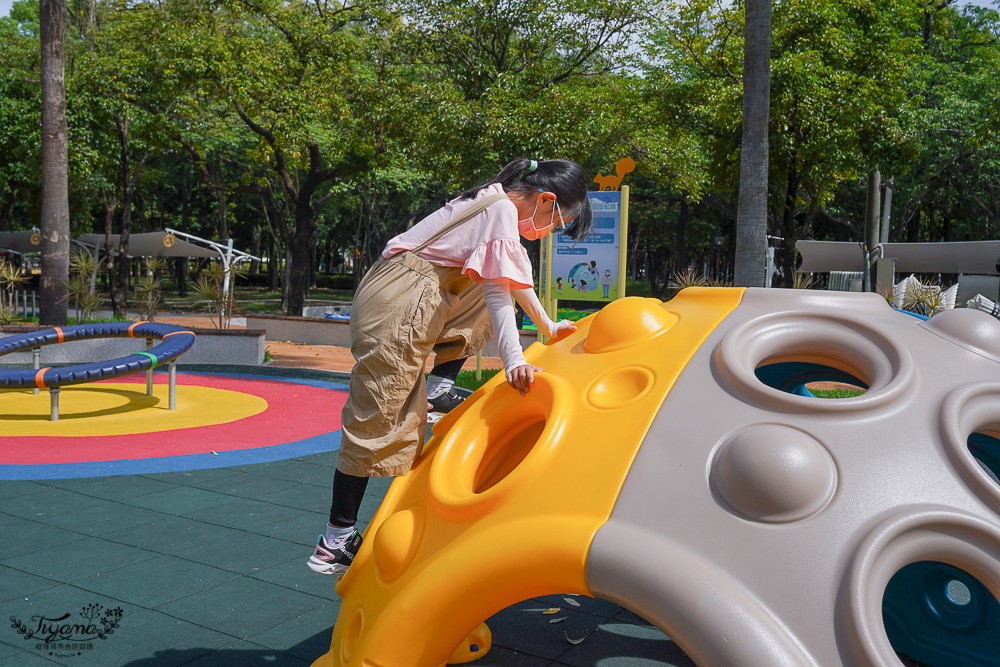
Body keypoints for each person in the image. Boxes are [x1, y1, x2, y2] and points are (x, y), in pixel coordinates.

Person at [307, 158, 594, 576]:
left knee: (484, 278)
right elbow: (499, 296)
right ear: (545, 199)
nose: (550, 231)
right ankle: (334, 541)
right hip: (398, 297)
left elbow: (512, 283)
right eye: (557, 221)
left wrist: (548, 326)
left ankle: (440, 386)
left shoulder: (494, 201)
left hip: (413, 287)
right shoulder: (499, 211)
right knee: (381, 411)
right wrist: (514, 359)